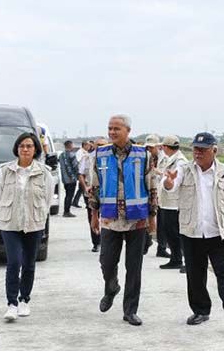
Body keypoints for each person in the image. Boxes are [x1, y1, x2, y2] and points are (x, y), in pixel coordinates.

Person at [163, 132, 224, 332]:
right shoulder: (184, 170)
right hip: (191, 231)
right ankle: (201, 310)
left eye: (202, 149)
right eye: (195, 149)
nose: (198, 153)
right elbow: (171, 187)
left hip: (220, 232)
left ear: (214, 150)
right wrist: (168, 182)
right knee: (195, 274)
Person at [89, 114, 157, 326]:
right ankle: (111, 287)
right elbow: (94, 187)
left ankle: (130, 310)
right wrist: (94, 215)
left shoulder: (143, 155)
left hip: (137, 219)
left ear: (128, 130)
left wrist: (152, 219)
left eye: (116, 128)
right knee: (107, 262)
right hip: (110, 219)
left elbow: (152, 186)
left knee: (134, 267)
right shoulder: (100, 154)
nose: (112, 132)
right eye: (109, 128)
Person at [0, 132, 54, 321]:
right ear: (16, 149)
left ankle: (24, 300)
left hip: (34, 224)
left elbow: (48, 199)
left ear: (35, 149)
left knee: (28, 263)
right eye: (22, 146)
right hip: (10, 224)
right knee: (14, 262)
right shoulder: (4, 171)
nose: (25, 149)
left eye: (29, 146)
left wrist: (39, 215)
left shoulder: (44, 172)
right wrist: (5, 214)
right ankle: (11, 304)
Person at [158, 135, 188, 271]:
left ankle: (183, 260)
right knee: (170, 232)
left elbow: (175, 180)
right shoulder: (172, 159)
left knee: (176, 233)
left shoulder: (180, 161)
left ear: (165, 147)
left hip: (173, 203)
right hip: (167, 202)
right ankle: (175, 258)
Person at [143, 134, 169, 258]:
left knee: (162, 223)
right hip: (148, 193)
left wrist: (155, 170)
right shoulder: (143, 158)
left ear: (158, 147)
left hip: (162, 194)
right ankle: (147, 241)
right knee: (146, 219)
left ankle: (161, 248)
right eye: (147, 147)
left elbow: (170, 175)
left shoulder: (166, 159)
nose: (149, 150)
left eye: (151, 148)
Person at [79, 139, 106, 252]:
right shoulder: (87, 158)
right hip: (91, 192)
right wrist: (85, 187)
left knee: (106, 217)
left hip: (107, 193)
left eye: (103, 145)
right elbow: (81, 174)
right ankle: (96, 242)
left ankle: (105, 241)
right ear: (94, 146)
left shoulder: (111, 158)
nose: (100, 147)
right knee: (93, 215)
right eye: (98, 145)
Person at [59, 140, 79, 217]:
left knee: (67, 195)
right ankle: (67, 212)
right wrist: (78, 176)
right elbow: (75, 166)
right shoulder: (72, 155)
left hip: (64, 179)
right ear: (70, 145)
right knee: (70, 196)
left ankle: (66, 211)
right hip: (71, 178)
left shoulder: (61, 155)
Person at [72, 141, 91, 207]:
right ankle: (79, 202)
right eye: (88, 145)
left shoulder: (85, 152)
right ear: (84, 145)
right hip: (81, 173)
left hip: (84, 173)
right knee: (82, 188)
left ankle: (76, 202)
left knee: (81, 189)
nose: (89, 147)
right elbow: (78, 161)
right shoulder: (80, 152)